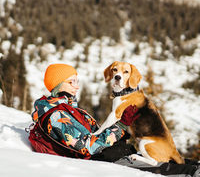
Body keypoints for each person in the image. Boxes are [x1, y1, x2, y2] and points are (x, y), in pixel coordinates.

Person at [30, 63, 200, 176]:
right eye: (71, 82)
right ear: (58, 85)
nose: (77, 85)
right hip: (106, 160)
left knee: (188, 163)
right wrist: (121, 124)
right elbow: (87, 147)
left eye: (77, 81)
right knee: (182, 171)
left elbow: (99, 132)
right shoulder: (56, 116)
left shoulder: (71, 110)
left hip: (119, 152)